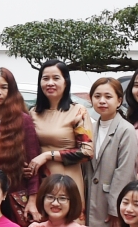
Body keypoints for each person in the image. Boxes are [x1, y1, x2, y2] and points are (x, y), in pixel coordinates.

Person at [83, 76, 138, 227]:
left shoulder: (125, 130)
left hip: (109, 208)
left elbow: (125, 171)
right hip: (89, 204)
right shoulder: (90, 127)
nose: (102, 101)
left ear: (119, 100)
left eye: (108, 96)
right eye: (97, 96)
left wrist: (116, 209)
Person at [0, 66, 43, 222]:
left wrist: (33, 200)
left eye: (3, 87)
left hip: (14, 193)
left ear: (11, 91)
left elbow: (33, 164)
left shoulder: (23, 120)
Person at [30, 60, 94, 215]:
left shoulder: (78, 111)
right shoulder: (33, 113)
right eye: (45, 78)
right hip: (41, 184)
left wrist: (48, 155)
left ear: (66, 81)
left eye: (56, 78)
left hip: (68, 182)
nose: (50, 83)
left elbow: (87, 152)